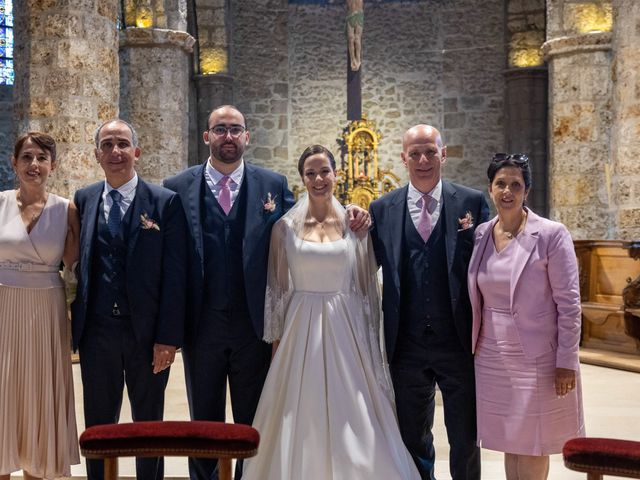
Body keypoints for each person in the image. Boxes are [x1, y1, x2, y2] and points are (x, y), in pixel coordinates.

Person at [163, 105, 370, 480]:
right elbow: (170, 264)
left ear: (247, 137)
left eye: (235, 129)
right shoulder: (176, 187)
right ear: (207, 136)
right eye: (220, 129)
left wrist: (352, 210)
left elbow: (309, 221)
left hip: (254, 327)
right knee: (203, 421)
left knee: (254, 421)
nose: (228, 136)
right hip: (201, 326)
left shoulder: (271, 185)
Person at [243, 145, 420, 479]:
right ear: (302, 179)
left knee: (354, 412)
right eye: (310, 173)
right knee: (300, 412)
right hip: (300, 329)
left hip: (345, 327)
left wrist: (369, 345)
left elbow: (367, 290)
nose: (318, 179)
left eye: (324, 171)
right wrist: (277, 352)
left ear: (336, 174)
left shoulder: (355, 225)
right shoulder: (284, 229)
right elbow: (277, 294)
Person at [369, 124, 489, 480]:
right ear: (403, 157)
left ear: (443, 154)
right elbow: (360, 265)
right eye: (415, 153)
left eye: (430, 152)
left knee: (465, 437)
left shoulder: (471, 202)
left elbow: (492, 263)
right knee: (411, 436)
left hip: (459, 340)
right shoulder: (382, 208)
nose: (423, 160)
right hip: (405, 344)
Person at [71, 119, 188, 480]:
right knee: (99, 426)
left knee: (148, 425)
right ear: (96, 155)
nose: (115, 152)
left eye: (122, 144)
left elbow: (175, 276)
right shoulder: (85, 198)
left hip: (147, 334)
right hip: (98, 332)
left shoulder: (164, 202)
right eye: (107, 145)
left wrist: (168, 338)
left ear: (137, 151)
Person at [467, 154, 584, 480]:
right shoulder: (481, 235)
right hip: (491, 353)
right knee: (510, 438)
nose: (507, 191)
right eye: (500, 184)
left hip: (537, 357)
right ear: (490, 189)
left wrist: (566, 360)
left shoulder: (550, 234)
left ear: (526, 191)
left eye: (515, 185)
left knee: (534, 441)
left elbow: (570, 303)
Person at [0, 132, 80, 480]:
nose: (34, 165)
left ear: (53, 165)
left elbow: (75, 266)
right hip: (3, 305)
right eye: (27, 157)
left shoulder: (67, 209)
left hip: (46, 310)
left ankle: (38, 468)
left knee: (39, 393)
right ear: (13, 163)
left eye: (42, 158)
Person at [346, 0, 364, 71]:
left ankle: (358, 59)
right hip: (350, 15)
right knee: (351, 38)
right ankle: (352, 60)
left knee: (357, 38)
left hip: (359, 14)